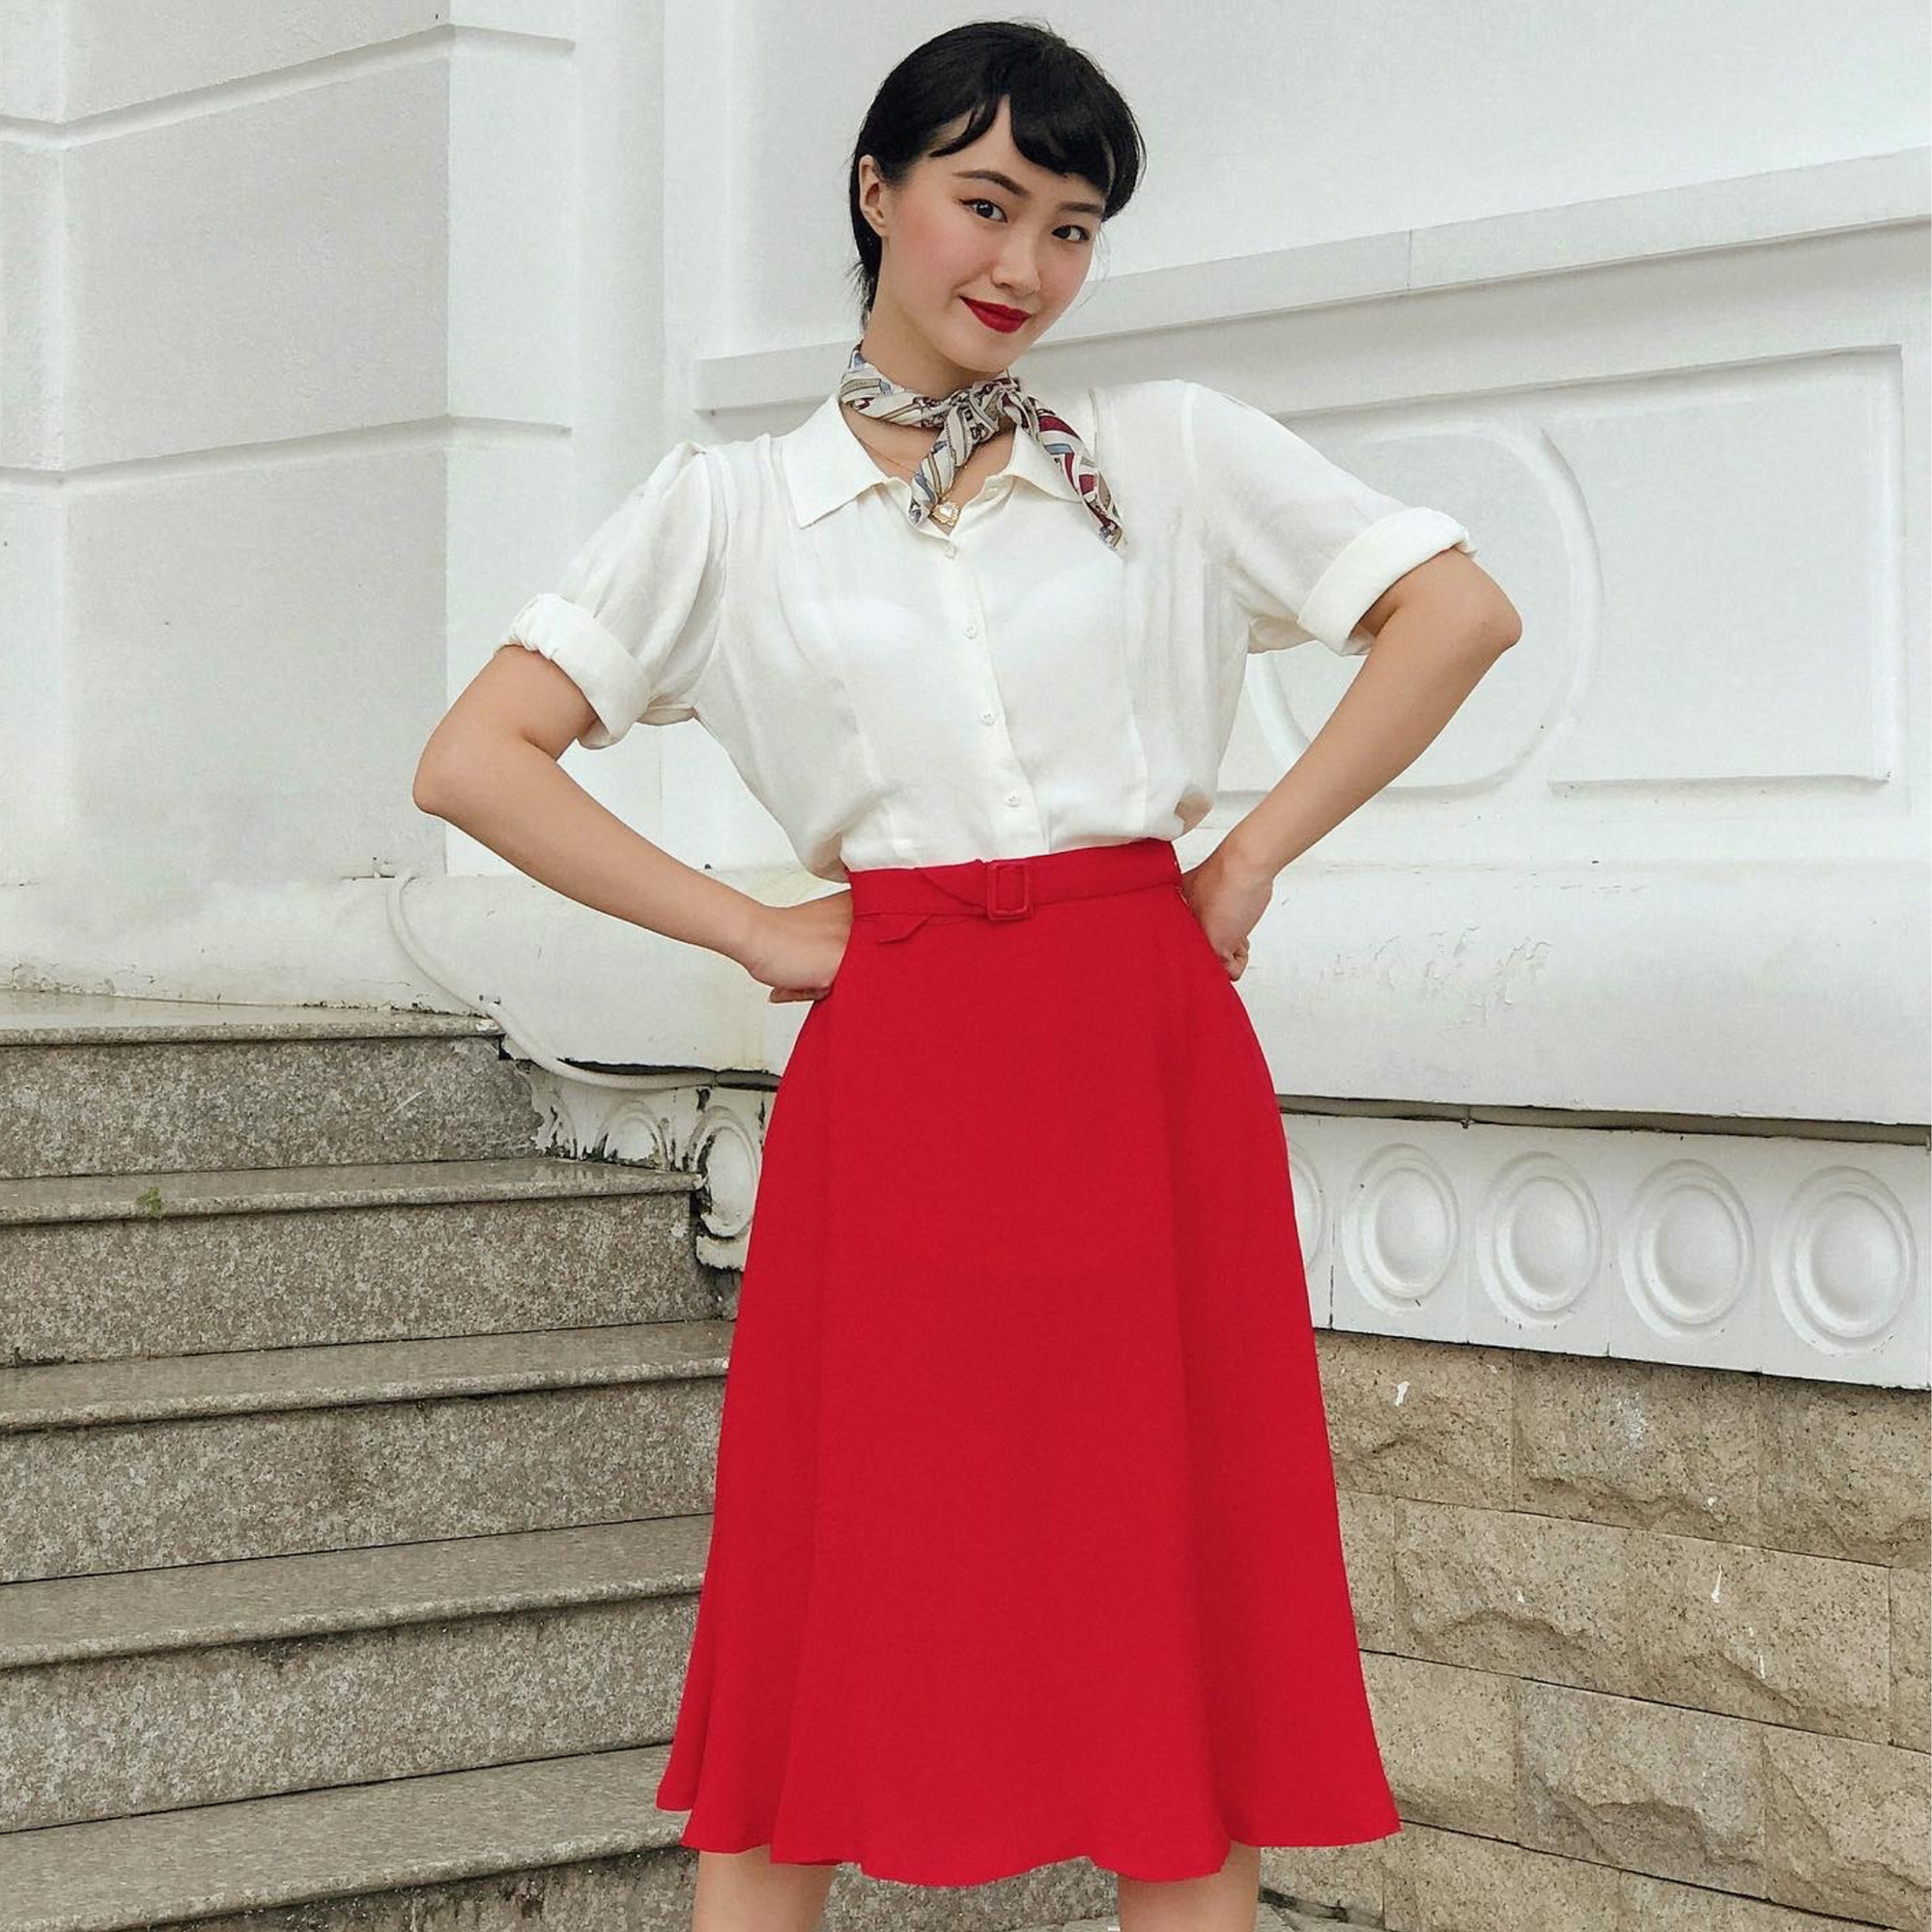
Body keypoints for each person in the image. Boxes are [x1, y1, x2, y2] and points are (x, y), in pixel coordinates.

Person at [413, 20, 1520, 1932]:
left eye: (1072, 225)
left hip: (1144, 1051)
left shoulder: (1166, 453)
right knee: (843, 1595)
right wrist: (758, 930)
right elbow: (473, 759)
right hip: (905, 1061)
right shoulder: (731, 509)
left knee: (1172, 1606)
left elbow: (1454, 610)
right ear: (877, 192)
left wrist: (1242, 859)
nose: (1023, 265)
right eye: (985, 202)